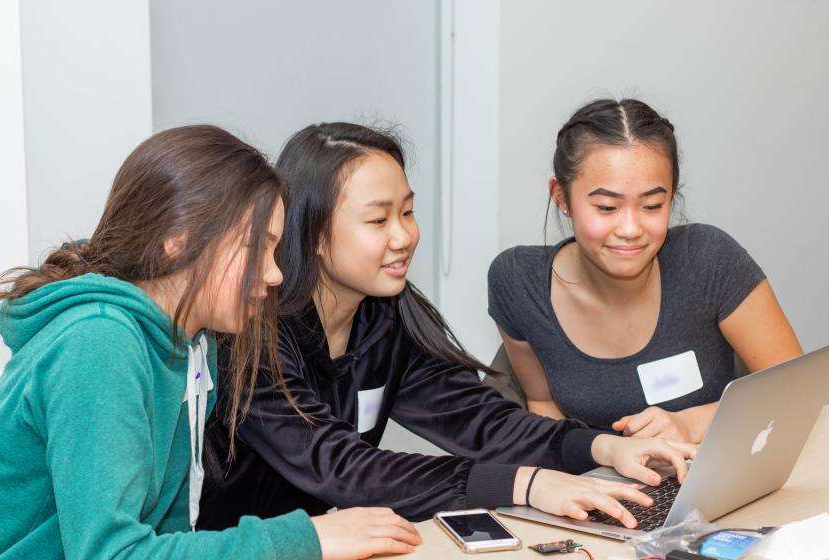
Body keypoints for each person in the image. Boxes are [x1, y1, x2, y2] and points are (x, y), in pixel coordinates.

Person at [199, 122, 696, 532]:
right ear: (313, 233)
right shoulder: (251, 334)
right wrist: (523, 485)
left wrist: (600, 445)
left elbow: (479, 419)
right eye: (378, 221)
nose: (404, 236)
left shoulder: (383, 315)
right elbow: (341, 468)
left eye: (409, 212)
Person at [0, 125, 420, 560]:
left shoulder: (192, 343)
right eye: (257, 249)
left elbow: (171, 530)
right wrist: (307, 538)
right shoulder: (99, 343)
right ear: (179, 243)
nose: (275, 275)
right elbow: (113, 554)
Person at [488, 98, 802, 443]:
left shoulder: (708, 260)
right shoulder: (519, 283)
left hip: (711, 477)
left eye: (653, 206)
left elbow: (796, 393)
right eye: (606, 207)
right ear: (562, 197)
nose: (630, 228)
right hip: (597, 485)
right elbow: (542, 403)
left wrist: (691, 425)